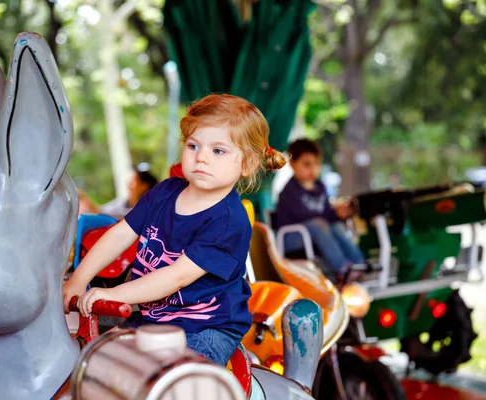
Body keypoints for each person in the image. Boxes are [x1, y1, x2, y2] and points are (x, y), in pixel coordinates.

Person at [63, 94, 287, 365]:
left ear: (248, 164)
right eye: (193, 145)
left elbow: (177, 277)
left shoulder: (228, 222)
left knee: (160, 378)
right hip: (154, 320)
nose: (201, 157)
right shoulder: (165, 192)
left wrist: (113, 294)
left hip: (204, 331)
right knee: (96, 364)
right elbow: (120, 234)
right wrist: (78, 279)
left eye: (218, 151)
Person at [276, 138, 365, 281]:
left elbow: (327, 215)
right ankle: (342, 268)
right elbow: (304, 216)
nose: (313, 169)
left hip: (315, 232)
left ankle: (360, 264)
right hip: (292, 236)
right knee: (318, 224)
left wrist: (338, 214)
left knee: (336, 226)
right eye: (306, 164)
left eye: (316, 164)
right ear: (292, 164)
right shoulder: (289, 192)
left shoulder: (320, 187)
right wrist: (331, 214)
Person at [79, 163, 159, 219]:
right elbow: (102, 210)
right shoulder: (123, 202)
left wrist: (84, 198)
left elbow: (103, 215)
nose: (128, 185)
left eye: (132, 181)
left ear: (144, 186)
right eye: (129, 181)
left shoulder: (144, 210)